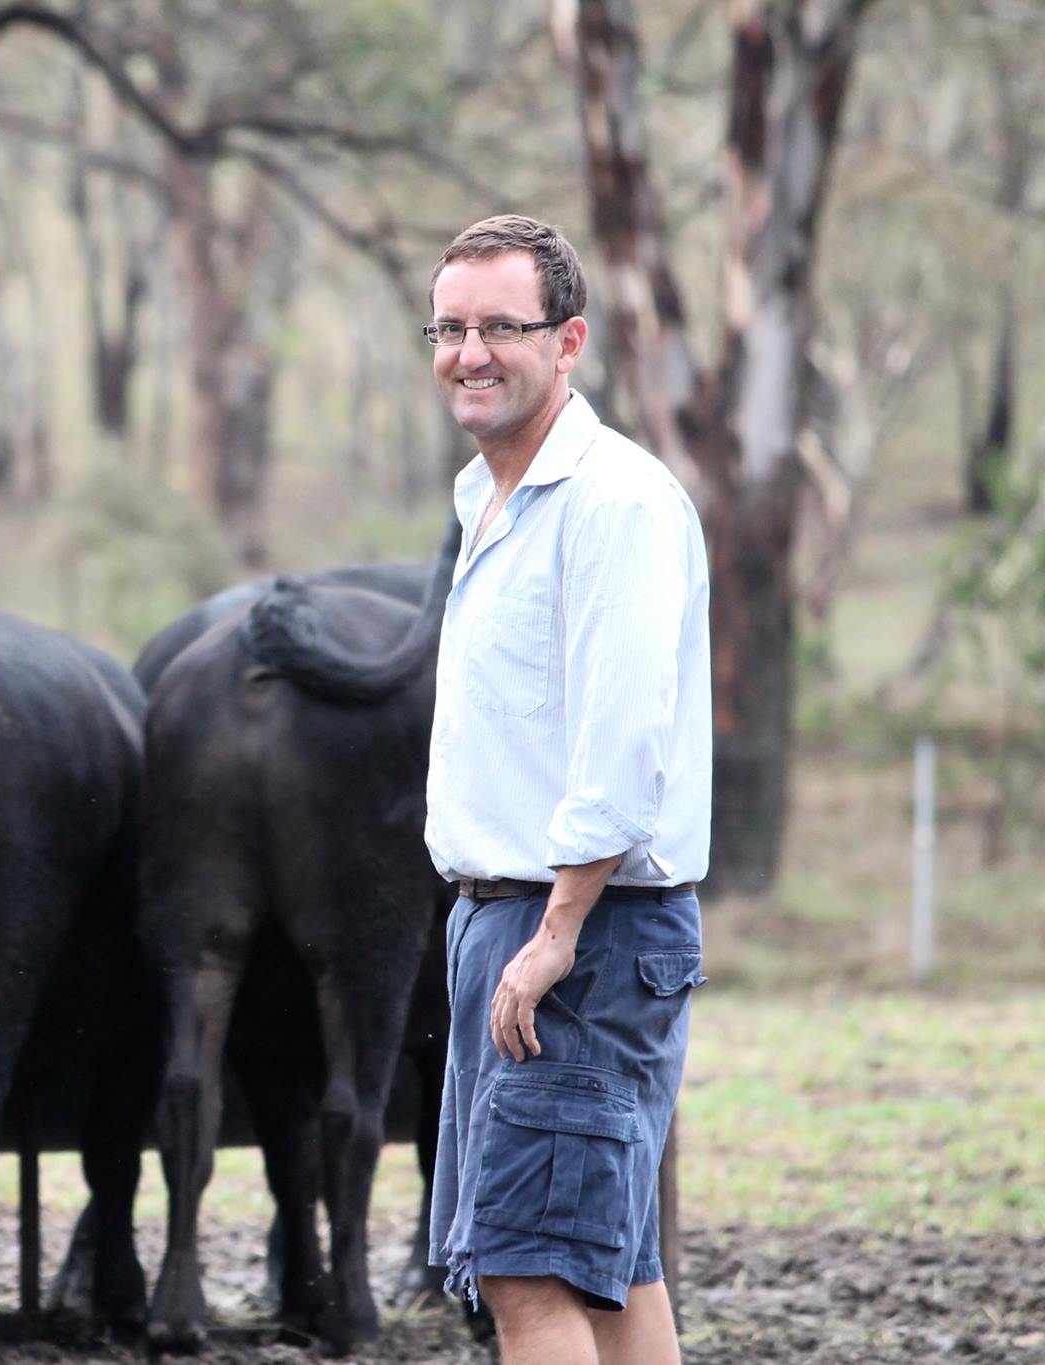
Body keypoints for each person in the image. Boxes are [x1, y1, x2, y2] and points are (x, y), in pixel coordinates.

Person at [421, 214, 712, 1365]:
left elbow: (621, 743)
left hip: (575, 936)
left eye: (501, 326)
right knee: (615, 1274)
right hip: (511, 926)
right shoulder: (482, 496)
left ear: (568, 339)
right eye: (449, 328)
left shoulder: (612, 504)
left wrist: (552, 935)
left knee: (526, 1275)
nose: (469, 353)